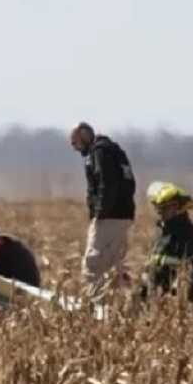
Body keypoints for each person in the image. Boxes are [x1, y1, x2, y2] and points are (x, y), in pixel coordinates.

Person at [68, 122, 136, 288]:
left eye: (75, 143)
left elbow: (107, 184)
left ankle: (95, 306)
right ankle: (124, 303)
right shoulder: (113, 150)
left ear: (84, 136)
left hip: (109, 218)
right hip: (122, 215)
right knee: (113, 265)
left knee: (94, 264)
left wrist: (100, 213)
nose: (75, 148)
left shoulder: (100, 152)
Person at [137, 182, 193, 301]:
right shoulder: (164, 234)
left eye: (165, 207)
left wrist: (184, 305)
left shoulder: (192, 237)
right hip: (155, 302)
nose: (160, 212)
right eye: (159, 207)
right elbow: (154, 268)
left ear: (178, 208)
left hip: (173, 303)